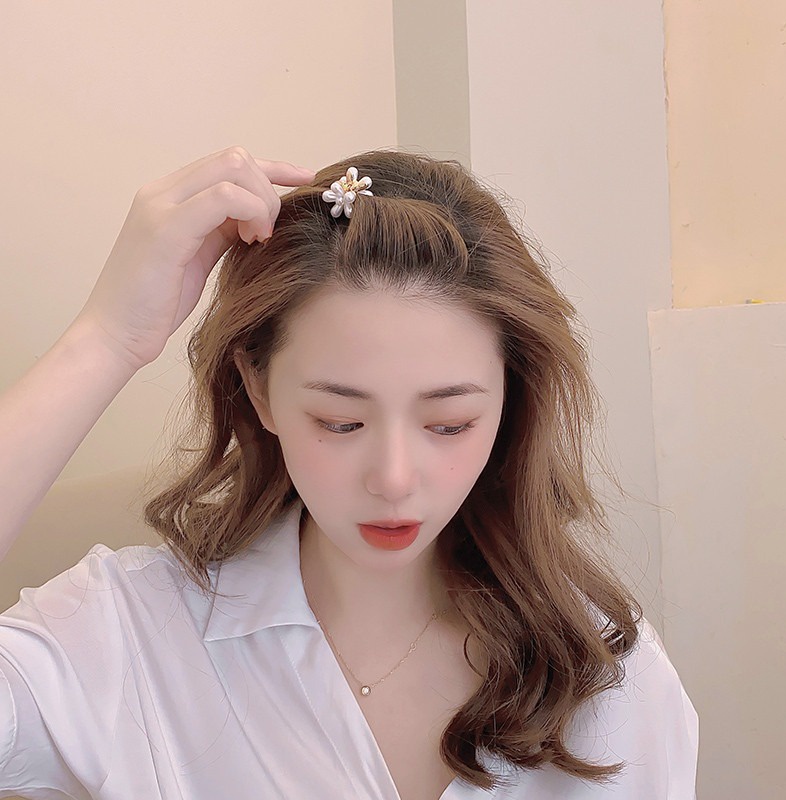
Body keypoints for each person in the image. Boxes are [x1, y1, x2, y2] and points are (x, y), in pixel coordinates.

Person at [0, 146, 699, 799]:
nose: (393, 479)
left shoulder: (607, 674)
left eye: (449, 424)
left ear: (510, 402)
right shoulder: (130, 634)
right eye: (340, 422)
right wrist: (105, 339)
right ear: (260, 390)